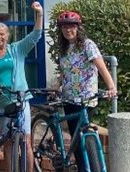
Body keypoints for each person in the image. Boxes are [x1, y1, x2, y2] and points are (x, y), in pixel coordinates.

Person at [0, 2, 43, 171]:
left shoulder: (17, 50)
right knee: (7, 141)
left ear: (7, 35)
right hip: (0, 102)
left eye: (2, 34)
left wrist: (39, 14)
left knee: (26, 141)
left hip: (20, 100)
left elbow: (36, 35)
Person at [55, 11, 117, 171]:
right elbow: (64, 72)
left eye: (71, 26)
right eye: (64, 27)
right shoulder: (64, 48)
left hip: (86, 98)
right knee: (75, 139)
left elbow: (101, 66)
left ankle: (88, 167)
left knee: (83, 136)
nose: (68, 30)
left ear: (78, 27)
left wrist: (111, 86)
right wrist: (57, 87)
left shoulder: (87, 44)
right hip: (68, 98)